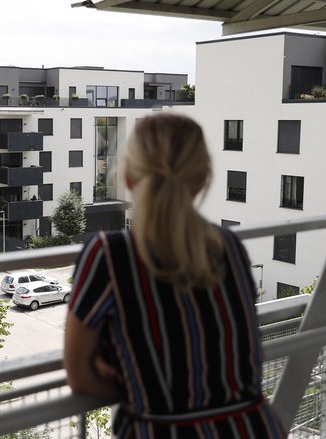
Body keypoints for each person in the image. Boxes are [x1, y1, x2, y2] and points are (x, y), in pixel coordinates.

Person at [64, 113, 286, 438]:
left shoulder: (109, 255)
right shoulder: (230, 247)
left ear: (127, 177)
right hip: (252, 428)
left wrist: (136, 379)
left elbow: (80, 376)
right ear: (202, 178)